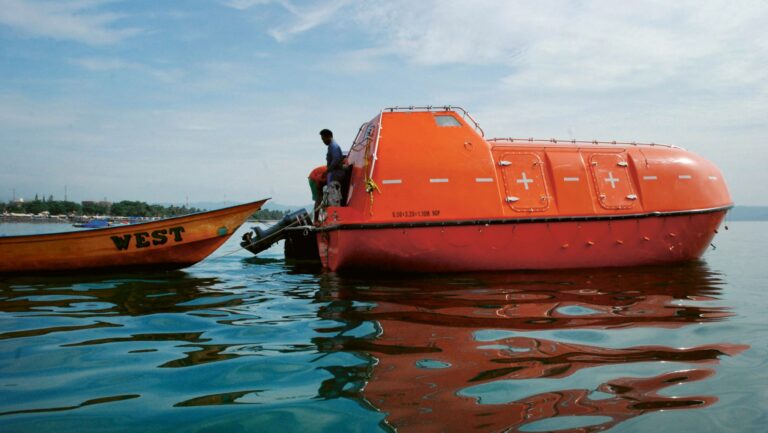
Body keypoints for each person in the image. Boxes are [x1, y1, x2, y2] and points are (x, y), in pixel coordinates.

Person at [320, 129, 344, 206]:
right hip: (333, 174)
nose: (323, 142)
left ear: (329, 137)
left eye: (323, 139)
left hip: (336, 174)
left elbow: (336, 159)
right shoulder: (331, 146)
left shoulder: (334, 146)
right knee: (332, 197)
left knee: (335, 198)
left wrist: (328, 170)